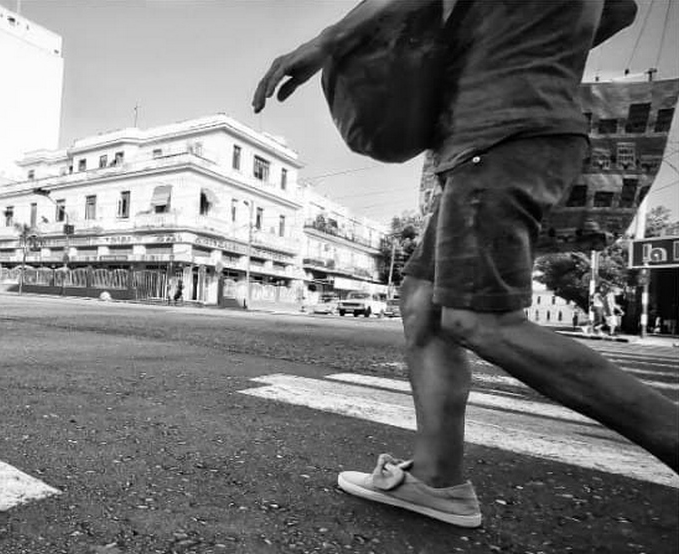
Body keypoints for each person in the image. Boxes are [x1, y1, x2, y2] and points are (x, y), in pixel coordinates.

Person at [253, 0, 676, 529]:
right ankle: (437, 482)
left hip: (501, 129)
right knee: (422, 302)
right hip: (507, 131)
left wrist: (326, 40)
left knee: (479, 320)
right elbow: (620, 11)